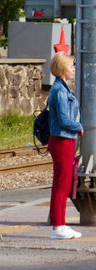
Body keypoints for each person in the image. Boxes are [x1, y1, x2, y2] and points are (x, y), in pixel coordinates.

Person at [48, 53, 83, 239]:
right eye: (71, 66)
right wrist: (79, 127)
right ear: (62, 68)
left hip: (64, 139)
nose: (74, 69)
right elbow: (63, 119)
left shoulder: (62, 88)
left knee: (62, 184)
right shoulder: (60, 91)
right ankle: (58, 227)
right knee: (62, 185)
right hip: (62, 139)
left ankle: (60, 224)